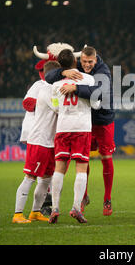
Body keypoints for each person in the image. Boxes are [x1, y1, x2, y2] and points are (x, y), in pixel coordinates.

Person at [46, 46, 115, 216]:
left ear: (96, 60)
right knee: (84, 159)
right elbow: (49, 76)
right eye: (84, 62)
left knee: (105, 157)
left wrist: (75, 88)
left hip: (103, 119)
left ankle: (107, 198)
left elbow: (99, 93)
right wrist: (63, 73)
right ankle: (83, 197)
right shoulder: (77, 69)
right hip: (86, 121)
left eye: (90, 62)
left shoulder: (103, 71)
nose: (86, 65)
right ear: (79, 60)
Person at [48, 50, 97, 224]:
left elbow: (54, 107)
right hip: (82, 127)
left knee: (59, 168)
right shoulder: (88, 79)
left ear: (60, 65)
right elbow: (96, 101)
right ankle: (76, 208)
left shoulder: (55, 85)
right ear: (75, 62)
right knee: (81, 168)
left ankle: (54, 208)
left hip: (63, 127)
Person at [12, 61, 61, 224]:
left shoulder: (53, 89)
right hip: (39, 140)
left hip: (49, 142)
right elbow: (59, 109)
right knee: (30, 177)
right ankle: (17, 214)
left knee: (46, 179)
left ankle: (35, 212)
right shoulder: (47, 90)